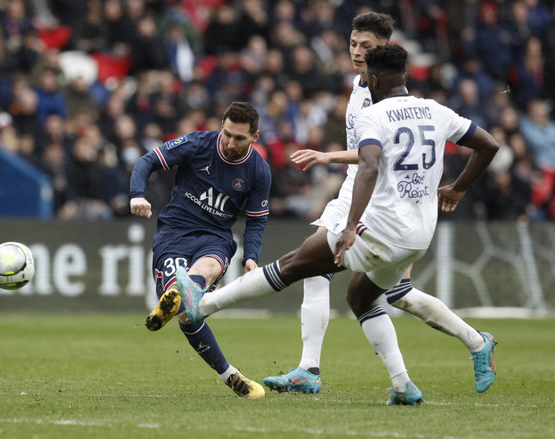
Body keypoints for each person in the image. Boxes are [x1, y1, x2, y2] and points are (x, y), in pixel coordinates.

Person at [176, 44, 499, 405]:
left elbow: (370, 164)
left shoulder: (373, 115)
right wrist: (458, 188)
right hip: (420, 237)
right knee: (360, 297)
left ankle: (201, 306)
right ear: (405, 77)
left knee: (294, 264)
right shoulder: (436, 110)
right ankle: (407, 384)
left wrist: (350, 226)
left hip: (380, 233)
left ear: (373, 80)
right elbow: (489, 145)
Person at [265, 11, 499, 396]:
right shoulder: (359, 89)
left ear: (383, 52)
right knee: (369, 292)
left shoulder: (385, 95)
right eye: (354, 43)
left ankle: (315, 370)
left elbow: (375, 156)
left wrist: (329, 157)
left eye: (367, 47)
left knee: (379, 289)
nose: (358, 52)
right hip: (365, 195)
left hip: (384, 202)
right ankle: (403, 375)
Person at [129, 101, 272, 398]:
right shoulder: (197, 144)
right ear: (221, 126)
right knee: (188, 315)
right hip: (173, 234)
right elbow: (147, 161)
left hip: (215, 237)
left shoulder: (259, 171)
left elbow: (256, 222)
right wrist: (137, 195)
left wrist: (251, 259)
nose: (231, 143)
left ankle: (184, 292)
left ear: (255, 137)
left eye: (239, 138)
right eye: (227, 134)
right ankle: (230, 375)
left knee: (203, 272)